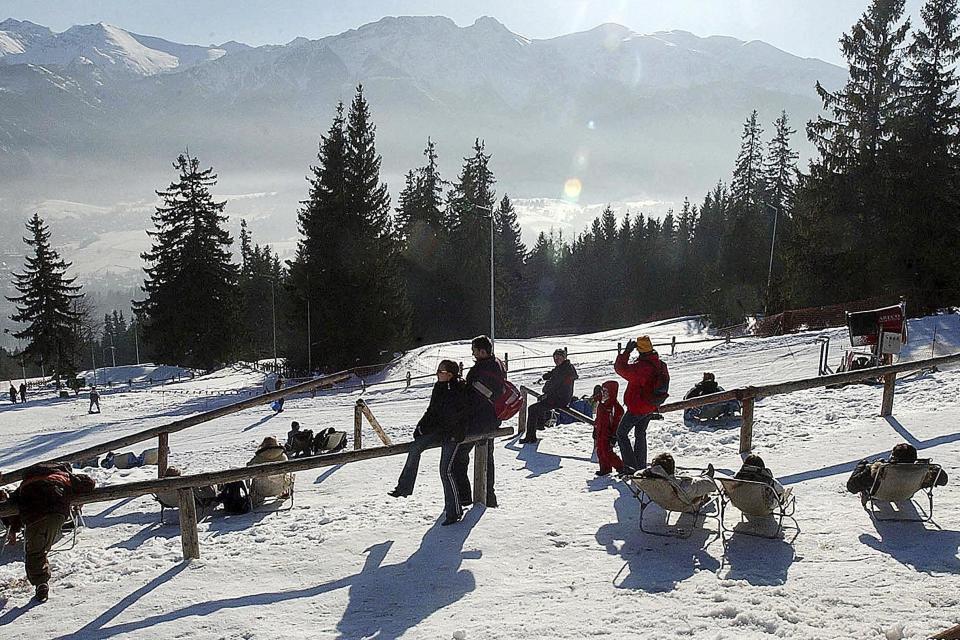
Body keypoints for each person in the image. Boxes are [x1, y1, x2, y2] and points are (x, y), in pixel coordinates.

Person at [3, 462, 96, 602]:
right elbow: (88, 483)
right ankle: (41, 582)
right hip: (56, 512)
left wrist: (14, 530)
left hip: (33, 516)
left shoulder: (25, 483)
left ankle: (41, 583)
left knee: (35, 552)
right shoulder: (62, 476)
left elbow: (13, 507)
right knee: (44, 543)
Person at [390, 359, 468, 499]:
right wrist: (420, 427)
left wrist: (449, 431)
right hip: (437, 431)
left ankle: (457, 505)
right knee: (415, 448)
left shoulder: (459, 388)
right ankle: (403, 487)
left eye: (440, 371)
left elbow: (455, 416)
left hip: (450, 434)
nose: (437, 373)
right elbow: (431, 411)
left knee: (446, 470)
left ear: (449, 375)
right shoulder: (438, 387)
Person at [451, 335, 504, 516]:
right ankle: (488, 497)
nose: (472, 353)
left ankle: (465, 497)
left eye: (474, 350)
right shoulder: (496, 364)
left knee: (458, 458)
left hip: (478, 422)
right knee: (487, 460)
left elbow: (476, 396)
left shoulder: (483, 368)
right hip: (491, 420)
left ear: (482, 351)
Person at [614, 336, 668, 473]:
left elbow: (620, 368)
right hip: (650, 406)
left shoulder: (642, 367)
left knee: (621, 434)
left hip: (638, 407)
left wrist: (626, 352)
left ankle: (631, 468)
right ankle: (640, 465)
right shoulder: (659, 364)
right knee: (640, 433)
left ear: (639, 350)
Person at [520, 348, 578, 443]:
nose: (556, 360)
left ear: (564, 358)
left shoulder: (564, 369)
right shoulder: (565, 367)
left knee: (532, 409)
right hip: (560, 397)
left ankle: (531, 437)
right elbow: (554, 373)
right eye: (554, 358)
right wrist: (547, 375)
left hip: (559, 399)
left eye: (558, 357)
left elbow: (553, 384)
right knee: (539, 403)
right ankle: (539, 425)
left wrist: (545, 391)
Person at [846, 442, 949, 495]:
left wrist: (863, 465)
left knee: (864, 464)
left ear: (893, 457)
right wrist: (926, 466)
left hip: (880, 494)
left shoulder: (880, 471)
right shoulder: (920, 471)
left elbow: (851, 487)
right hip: (906, 494)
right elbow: (943, 480)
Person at [636, 452, 716, 506]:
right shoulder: (682, 486)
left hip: (662, 502)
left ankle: (702, 476)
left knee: (687, 477)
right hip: (685, 503)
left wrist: (651, 470)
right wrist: (708, 478)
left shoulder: (647, 480)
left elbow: (637, 474)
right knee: (699, 483)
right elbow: (712, 486)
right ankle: (705, 476)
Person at [247, 436, 293, 507]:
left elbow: (248, 467)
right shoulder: (283, 456)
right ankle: (284, 493)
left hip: (261, 490)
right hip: (281, 488)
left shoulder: (257, 459)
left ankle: (254, 499)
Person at [593, 380, 624, 476]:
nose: (604, 393)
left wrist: (614, 436)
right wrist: (595, 429)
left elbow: (616, 423)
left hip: (608, 434)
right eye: (603, 391)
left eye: (606, 391)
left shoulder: (615, 407)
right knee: (600, 451)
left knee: (608, 452)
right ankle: (605, 468)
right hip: (600, 432)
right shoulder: (602, 404)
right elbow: (598, 419)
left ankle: (621, 467)